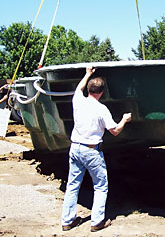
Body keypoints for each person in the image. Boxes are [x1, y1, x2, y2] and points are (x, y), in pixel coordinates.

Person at [61, 66, 131, 232]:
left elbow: (79, 88)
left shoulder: (78, 100)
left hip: (75, 148)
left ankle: (67, 220)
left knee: (72, 185)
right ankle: (97, 221)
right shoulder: (102, 110)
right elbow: (114, 131)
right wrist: (124, 119)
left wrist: (87, 74)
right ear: (102, 92)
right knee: (100, 186)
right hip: (92, 151)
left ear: (89, 90)